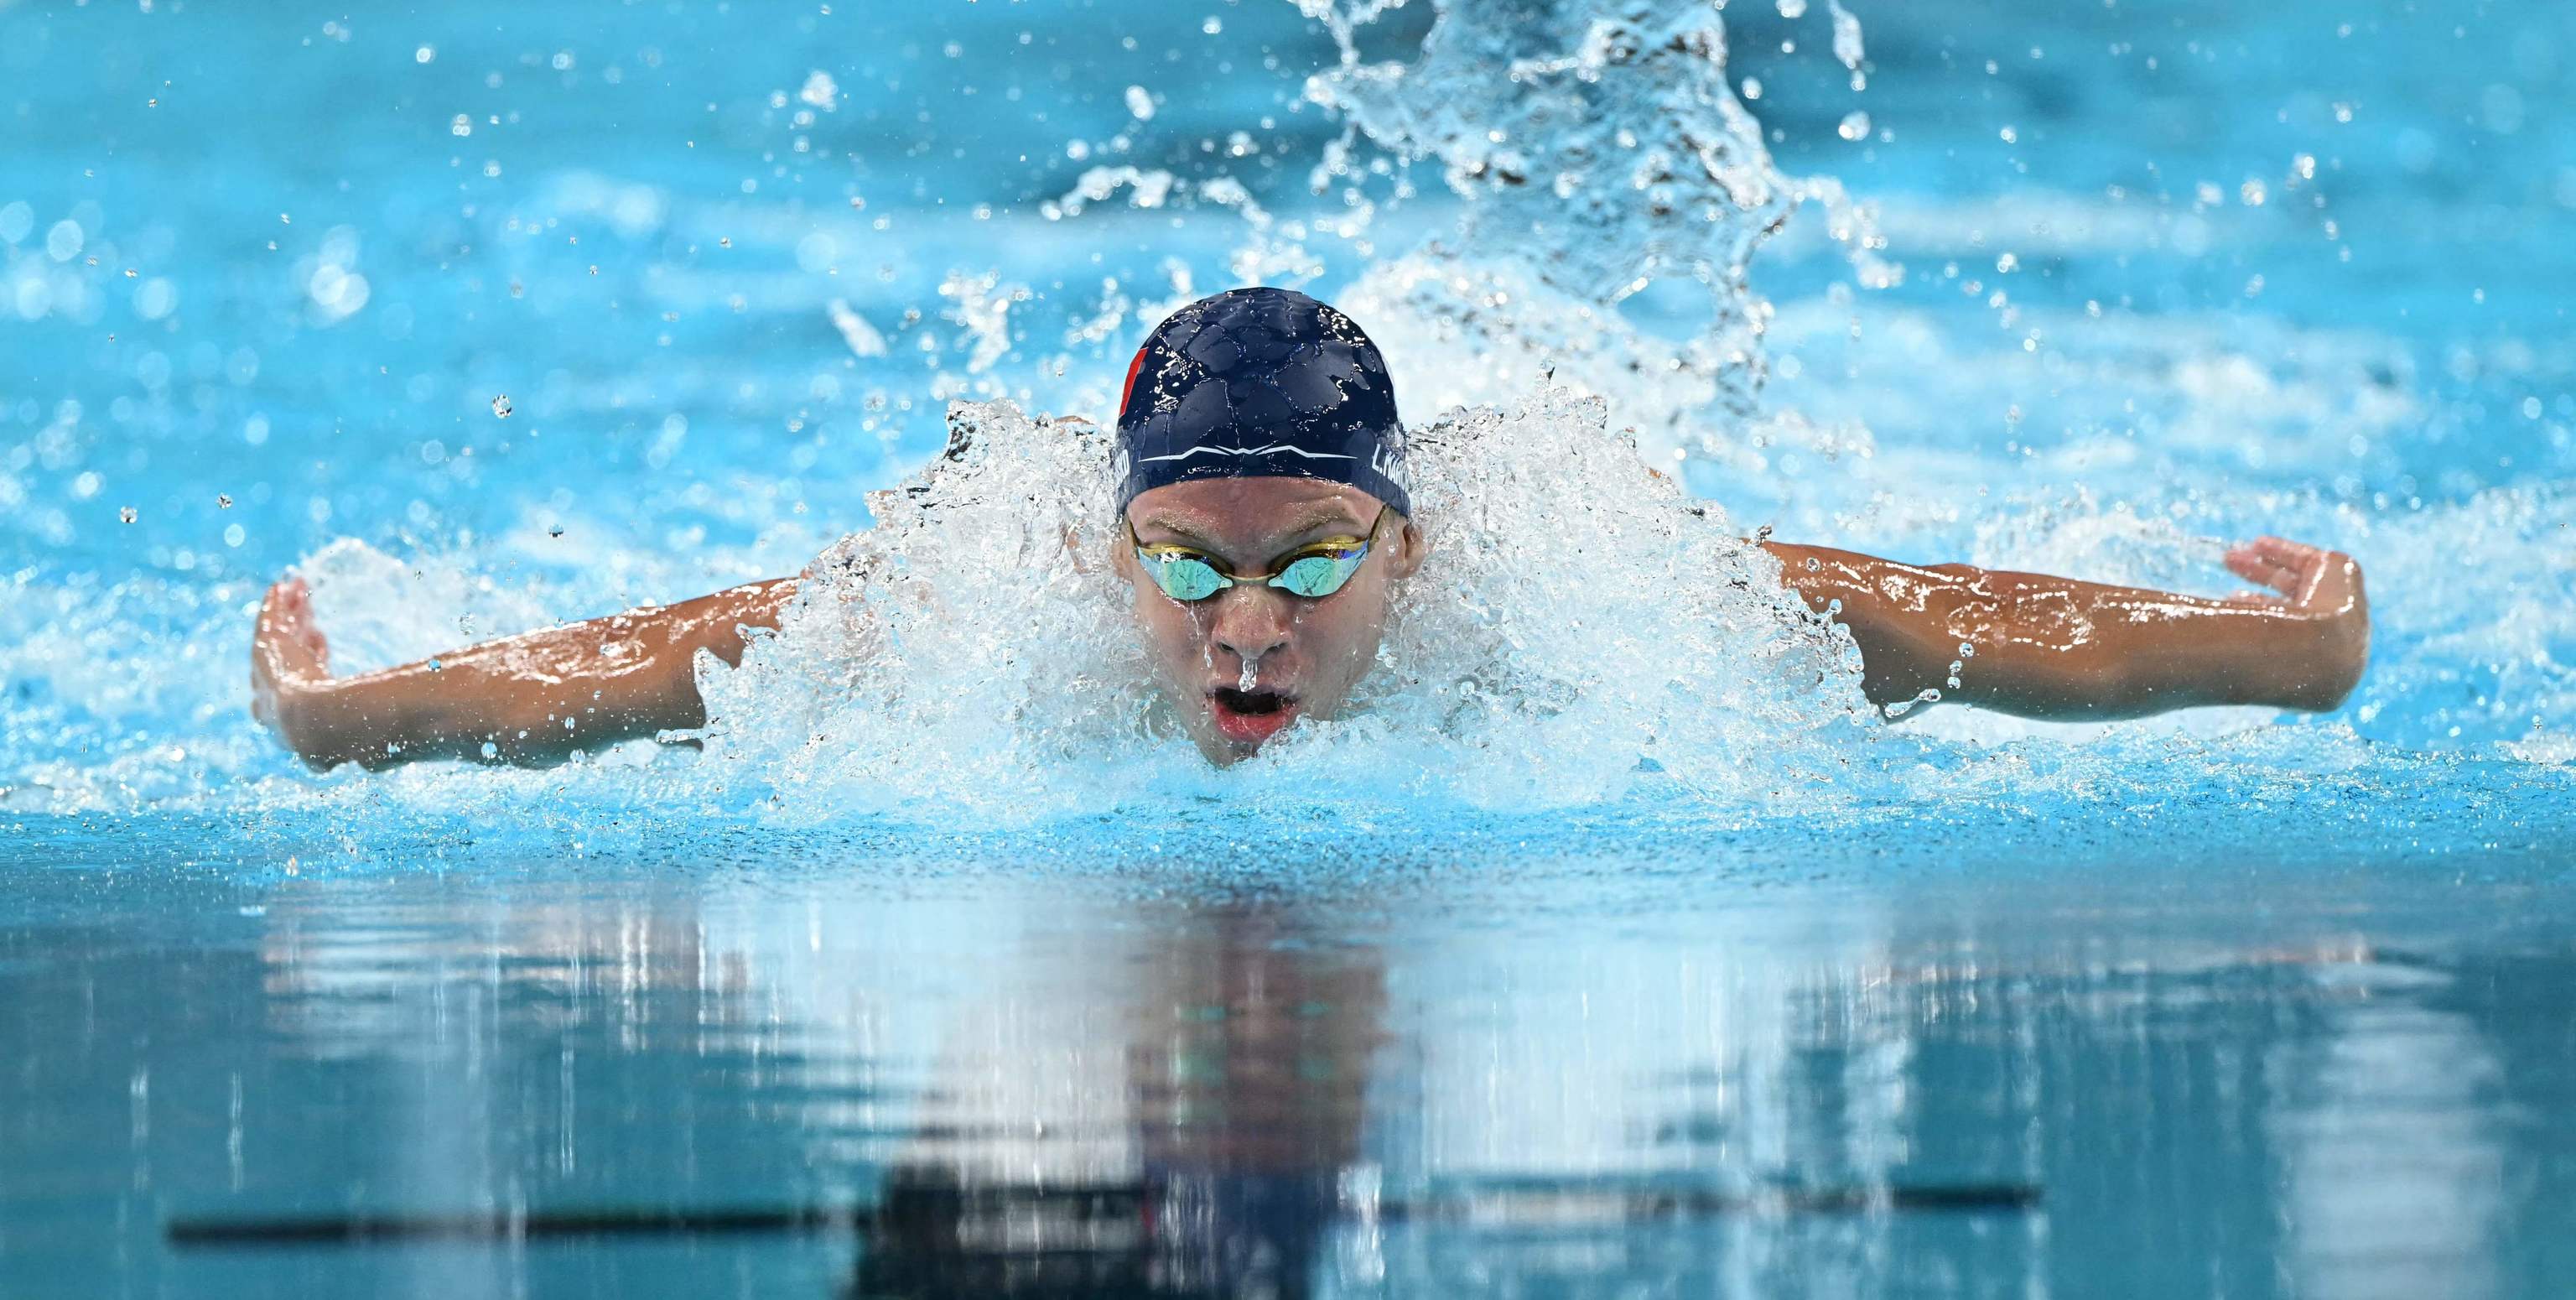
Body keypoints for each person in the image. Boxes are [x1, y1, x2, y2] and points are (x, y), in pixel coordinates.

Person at [248, 287, 2370, 772]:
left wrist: (2296, 648)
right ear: (1113, 549)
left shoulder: (1585, 588)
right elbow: (656, 665)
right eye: (1186, 563)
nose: (1241, 622)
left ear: (1408, 552)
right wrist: (345, 720)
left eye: (1306, 564)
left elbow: (1963, 624)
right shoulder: (988, 607)